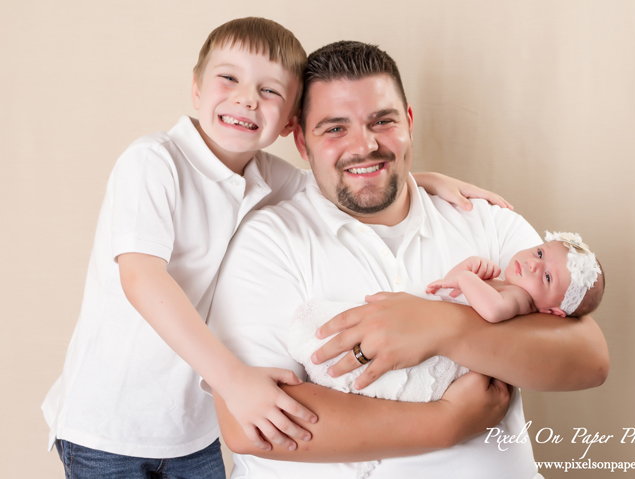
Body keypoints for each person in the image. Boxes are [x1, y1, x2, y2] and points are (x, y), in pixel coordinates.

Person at [42, 19, 503, 479]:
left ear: (288, 124)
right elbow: (141, 277)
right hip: (108, 427)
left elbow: (344, 178)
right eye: (229, 78)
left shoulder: (269, 178)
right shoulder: (155, 161)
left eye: (269, 91)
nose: (246, 98)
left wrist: (423, 182)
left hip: (191, 432)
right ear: (197, 90)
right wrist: (233, 380)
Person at [208, 40, 609, 479]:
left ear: (409, 122)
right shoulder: (268, 241)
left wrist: (442, 327)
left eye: (382, 121)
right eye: (335, 128)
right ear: (301, 140)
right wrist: (448, 422)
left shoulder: (485, 220)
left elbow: (587, 358)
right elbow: (251, 427)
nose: (364, 145)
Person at [426, 231, 606, 321]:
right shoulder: (505, 286)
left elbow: (493, 311)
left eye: (547, 277)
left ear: (551, 311)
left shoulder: (521, 299)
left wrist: (465, 277)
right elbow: (449, 293)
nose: (533, 263)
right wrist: (468, 266)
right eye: (540, 254)